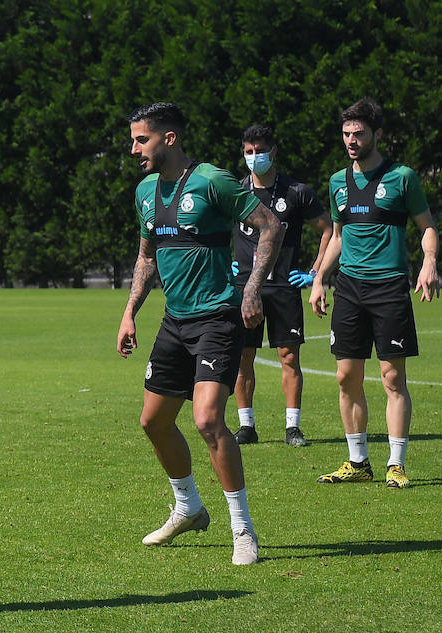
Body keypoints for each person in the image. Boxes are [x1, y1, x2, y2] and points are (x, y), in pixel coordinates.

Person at [116, 102, 282, 566]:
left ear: (169, 138)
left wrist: (251, 287)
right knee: (153, 421)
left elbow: (272, 227)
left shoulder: (214, 181)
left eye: (141, 139)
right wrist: (130, 311)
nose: (134, 150)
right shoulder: (146, 191)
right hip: (175, 320)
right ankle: (188, 506)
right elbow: (147, 256)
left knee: (208, 420)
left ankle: (243, 529)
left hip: (218, 318)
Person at [309, 98, 439, 489]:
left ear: (376, 134)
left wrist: (429, 262)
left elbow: (427, 227)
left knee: (392, 378)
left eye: (359, 133)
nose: (351, 140)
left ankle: (395, 464)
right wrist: (318, 278)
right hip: (348, 288)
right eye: (346, 133)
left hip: (389, 288)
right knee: (346, 376)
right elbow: (337, 236)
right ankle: (357, 461)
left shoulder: (402, 178)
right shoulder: (336, 182)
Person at [230, 124, 334, 447]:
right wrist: (225, 262)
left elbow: (329, 230)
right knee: (242, 356)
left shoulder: (296, 192)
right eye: (248, 151)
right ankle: (246, 426)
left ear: (273, 151)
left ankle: (292, 428)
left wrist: (315, 272)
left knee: (289, 356)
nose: (254, 157)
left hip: (285, 286)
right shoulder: (235, 191)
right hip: (245, 286)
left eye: (259, 150)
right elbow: (213, 230)